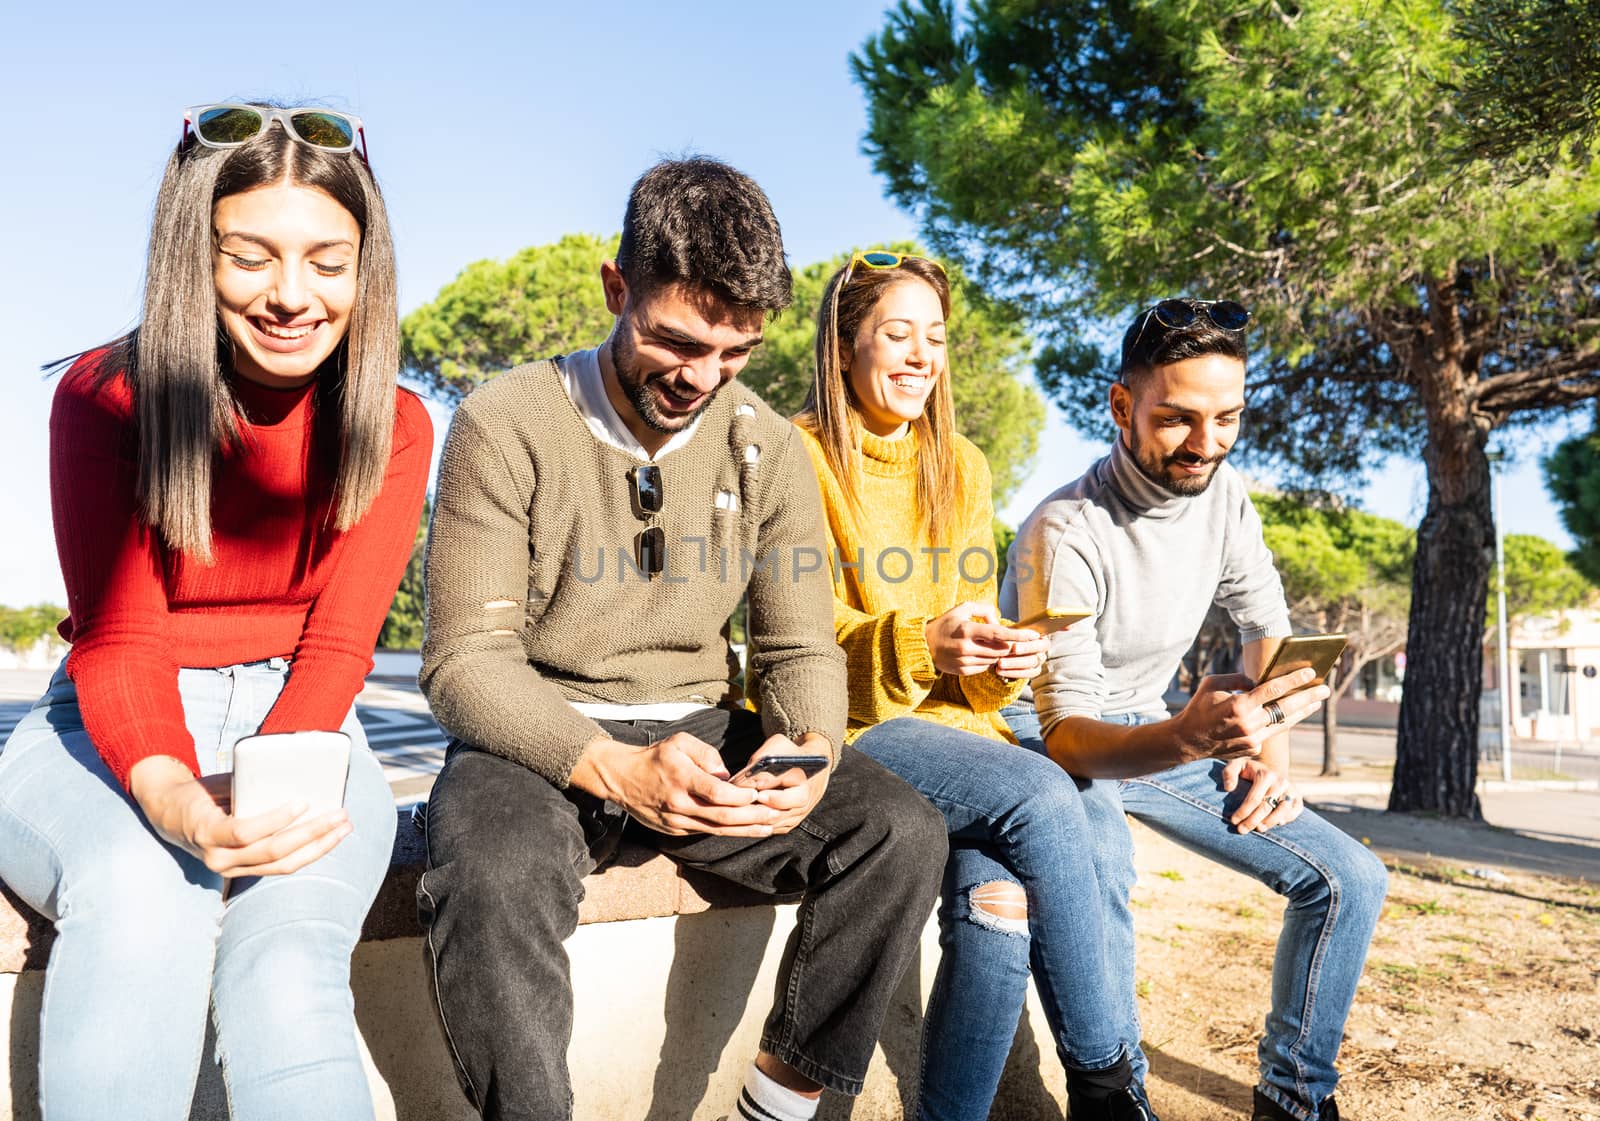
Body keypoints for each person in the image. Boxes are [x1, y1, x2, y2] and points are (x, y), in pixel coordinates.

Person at [416, 158, 946, 1121]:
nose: (700, 378)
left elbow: (798, 651)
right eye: (675, 340)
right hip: (536, 734)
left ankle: (776, 1103)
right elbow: (464, 665)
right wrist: (616, 770)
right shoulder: (503, 423)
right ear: (618, 289)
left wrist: (807, 751)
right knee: (485, 871)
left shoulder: (771, 448)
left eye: (734, 351)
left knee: (899, 831)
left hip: (703, 725)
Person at [0, 103, 431, 1120]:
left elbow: (337, 646)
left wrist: (270, 784)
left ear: (366, 266)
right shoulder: (108, 398)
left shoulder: (399, 426)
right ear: (193, 252)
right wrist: (181, 806)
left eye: (330, 261)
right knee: (145, 893)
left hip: (308, 722)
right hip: (106, 728)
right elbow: (120, 636)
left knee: (284, 957)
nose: (293, 295)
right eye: (251, 256)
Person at [789, 250, 1158, 1121]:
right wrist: (924, 643)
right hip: (848, 722)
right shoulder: (791, 456)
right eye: (897, 334)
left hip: (955, 737)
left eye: (937, 338)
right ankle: (1108, 1082)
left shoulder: (962, 464)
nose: (923, 355)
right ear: (844, 347)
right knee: (1040, 789)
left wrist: (1001, 661)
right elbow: (794, 648)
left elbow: (970, 653)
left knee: (996, 900)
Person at [1001, 298, 1389, 1121]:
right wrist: (1186, 736)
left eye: (1227, 419)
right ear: (1121, 406)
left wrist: (1266, 760)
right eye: (1178, 419)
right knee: (1101, 859)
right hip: (1048, 736)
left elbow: (1265, 628)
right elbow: (1068, 734)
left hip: (1157, 723)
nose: (1207, 444)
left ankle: (1293, 1096)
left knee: (1350, 877)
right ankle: (1113, 1093)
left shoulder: (1225, 494)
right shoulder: (1062, 532)